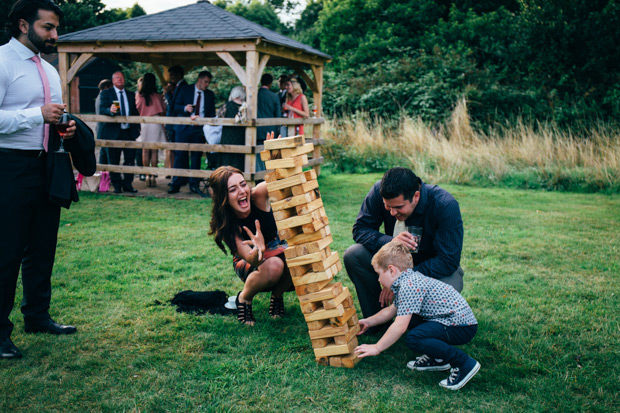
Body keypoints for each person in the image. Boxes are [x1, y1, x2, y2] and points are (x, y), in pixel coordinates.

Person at [0, 0, 79, 360]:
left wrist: (67, 126)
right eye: (48, 27)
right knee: (7, 251)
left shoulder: (48, 70)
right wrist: (36, 115)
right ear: (22, 24)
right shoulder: (1, 61)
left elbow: (53, 115)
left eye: (55, 28)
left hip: (47, 164)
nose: (55, 35)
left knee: (43, 246)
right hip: (9, 167)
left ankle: (37, 316)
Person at [354, 241, 480, 391]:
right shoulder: (407, 280)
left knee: (415, 338)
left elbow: (399, 327)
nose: (378, 280)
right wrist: (368, 322)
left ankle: (463, 363)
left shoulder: (409, 285)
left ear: (392, 270)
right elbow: (391, 311)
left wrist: (377, 347)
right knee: (411, 319)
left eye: (378, 274)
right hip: (450, 321)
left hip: (461, 326)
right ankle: (438, 358)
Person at [344, 167, 464, 322]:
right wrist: (390, 242)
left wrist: (400, 279)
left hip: (433, 269)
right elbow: (360, 229)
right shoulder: (379, 191)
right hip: (391, 262)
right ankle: (375, 320)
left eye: (399, 207)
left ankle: (417, 320)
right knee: (354, 255)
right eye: (388, 206)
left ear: (416, 196)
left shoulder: (445, 205)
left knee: (415, 326)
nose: (392, 213)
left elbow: (448, 261)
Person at [208, 165, 293, 326]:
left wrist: (279, 156)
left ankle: (277, 296)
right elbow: (251, 259)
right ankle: (244, 298)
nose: (241, 191)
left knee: (296, 257)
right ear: (223, 197)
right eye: (233, 189)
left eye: (243, 184)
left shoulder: (258, 195)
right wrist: (258, 249)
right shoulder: (228, 224)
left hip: (276, 249)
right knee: (274, 265)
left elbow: (283, 177)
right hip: (249, 262)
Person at [168, 70, 214, 197]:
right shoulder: (185, 89)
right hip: (183, 127)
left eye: (208, 82)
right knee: (180, 155)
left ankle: (194, 184)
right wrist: (185, 108)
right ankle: (176, 183)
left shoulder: (210, 94)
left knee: (196, 157)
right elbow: (174, 106)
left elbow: (211, 113)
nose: (207, 85)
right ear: (199, 80)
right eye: (205, 82)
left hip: (199, 129)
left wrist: (205, 122)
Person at [98, 70, 141, 194]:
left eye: (121, 77)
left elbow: (134, 112)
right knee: (113, 160)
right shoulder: (106, 93)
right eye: (117, 78)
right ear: (113, 81)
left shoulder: (130, 94)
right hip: (113, 132)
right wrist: (110, 110)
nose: (120, 80)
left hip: (128, 131)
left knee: (130, 159)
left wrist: (137, 127)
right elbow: (101, 109)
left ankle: (128, 184)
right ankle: (117, 186)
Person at [135, 72, 166, 187]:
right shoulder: (158, 96)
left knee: (145, 150)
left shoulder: (139, 95)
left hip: (144, 123)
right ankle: (153, 175)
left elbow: (137, 108)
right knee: (155, 151)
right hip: (156, 122)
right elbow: (163, 110)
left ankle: (147, 175)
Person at [256, 73, 281, 171]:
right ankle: (268, 174)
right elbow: (278, 115)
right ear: (270, 83)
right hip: (271, 130)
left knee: (258, 155)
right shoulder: (274, 96)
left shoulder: (255, 95)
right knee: (269, 154)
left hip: (256, 130)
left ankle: (259, 174)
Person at [163, 65, 186, 173]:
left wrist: (167, 94)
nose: (170, 77)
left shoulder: (182, 87)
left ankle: (178, 174)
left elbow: (173, 106)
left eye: (172, 75)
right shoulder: (176, 86)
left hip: (178, 124)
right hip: (174, 123)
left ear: (178, 74)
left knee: (178, 151)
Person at [218, 86, 246, 171]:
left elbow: (218, 118)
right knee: (238, 163)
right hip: (240, 139)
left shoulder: (226, 105)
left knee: (226, 165)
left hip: (227, 138)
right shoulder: (245, 108)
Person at [94, 78, 112, 164]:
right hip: (104, 128)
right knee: (106, 153)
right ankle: (105, 173)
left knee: (104, 152)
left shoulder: (99, 97)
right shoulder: (102, 97)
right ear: (106, 87)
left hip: (101, 128)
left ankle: (104, 173)